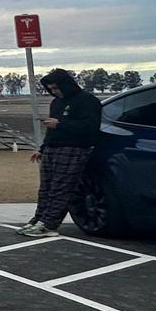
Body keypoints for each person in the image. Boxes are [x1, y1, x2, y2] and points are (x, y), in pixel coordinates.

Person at [18, 68, 103, 238]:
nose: (54, 92)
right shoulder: (56, 102)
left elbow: (90, 127)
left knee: (61, 188)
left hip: (74, 148)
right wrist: (42, 149)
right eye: (51, 89)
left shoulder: (87, 101)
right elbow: (51, 130)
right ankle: (39, 219)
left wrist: (61, 124)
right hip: (52, 148)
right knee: (46, 188)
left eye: (56, 88)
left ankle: (50, 224)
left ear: (66, 85)